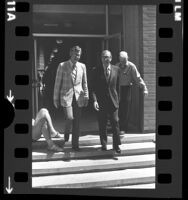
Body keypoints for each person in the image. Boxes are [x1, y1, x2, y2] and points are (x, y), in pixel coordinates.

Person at [53, 46, 89, 151]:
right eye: (75, 54)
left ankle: (75, 145)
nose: (77, 57)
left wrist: (86, 96)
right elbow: (57, 83)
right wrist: (55, 98)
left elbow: (85, 83)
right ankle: (66, 134)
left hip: (79, 97)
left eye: (78, 55)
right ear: (70, 53)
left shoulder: (82, 66)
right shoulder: (62, 65)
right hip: (66, 97)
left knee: (77, 122)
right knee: (69, 118)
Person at [92, 50, 121, 153]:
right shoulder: (96, 70)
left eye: (108, 57)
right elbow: (93, 88)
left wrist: (118, 100)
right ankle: (104, 145)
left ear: (111, 58)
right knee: (102, 124)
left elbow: (117, 87)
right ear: (101, 58)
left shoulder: (116, 69)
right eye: (104, 57)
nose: (106, 59)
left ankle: (116, 146)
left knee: (115, 123)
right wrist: (95, 100)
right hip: (101, 102)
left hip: (113, 102)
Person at [116, 51, 148, 134]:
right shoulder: (116, 66)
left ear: (128, 58)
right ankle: (116, 127)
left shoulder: (131, 66)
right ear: (119, 59)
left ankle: (123, 128)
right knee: (116, 108)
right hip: (117, 89)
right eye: (122, 60)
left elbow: (138, 78)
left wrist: (144, 88)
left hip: (126, 88)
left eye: (125, 60)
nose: (124, 62)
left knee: (125, 108)